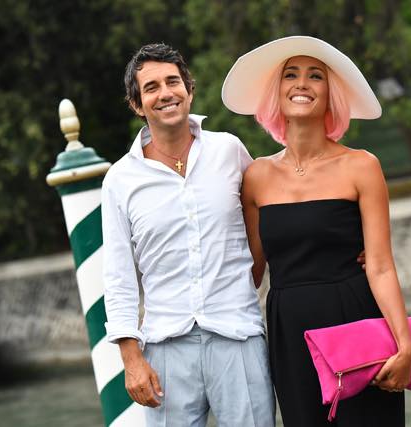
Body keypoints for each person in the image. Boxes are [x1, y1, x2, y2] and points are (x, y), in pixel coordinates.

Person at [222, 36, 411, 426]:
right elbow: (250, 274)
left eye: (316, 76)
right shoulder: (255, 176)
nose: (302, 84)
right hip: (288, 331)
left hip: (356, 319)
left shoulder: (362, 166)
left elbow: (379, 265)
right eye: (290, 75)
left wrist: (406, 344)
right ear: (276, 93)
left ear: (332, 93)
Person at [101, 43, 276, 427]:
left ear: (189, 89)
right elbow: (118, 277)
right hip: (164, 348)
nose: (165, 93)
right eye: (151, 88)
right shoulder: (120, 180)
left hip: (237, 335)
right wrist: (132, 361)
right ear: (136, 104)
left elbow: (269, 215)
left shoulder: (229, 151)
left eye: (172, 81)